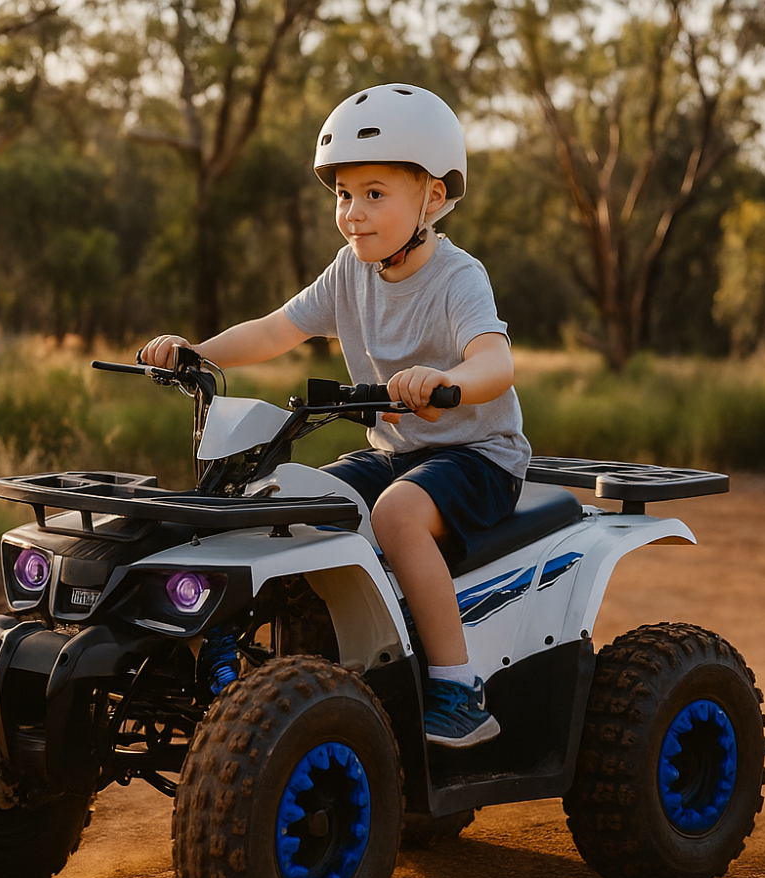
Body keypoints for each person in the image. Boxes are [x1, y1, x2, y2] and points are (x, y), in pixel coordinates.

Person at [138, 83, 531, 748]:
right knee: (288, 499)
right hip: (397, 453)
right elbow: (272, 331)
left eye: (375, 194)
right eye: (344, 195)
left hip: (478, 455)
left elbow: (496, 361)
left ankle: (459, 689)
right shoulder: (351, 270)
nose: (353, 213)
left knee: (397, 516)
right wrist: (194, 352)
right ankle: (255, 669)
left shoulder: (458, 277)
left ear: (432, 198)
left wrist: (447, 382)